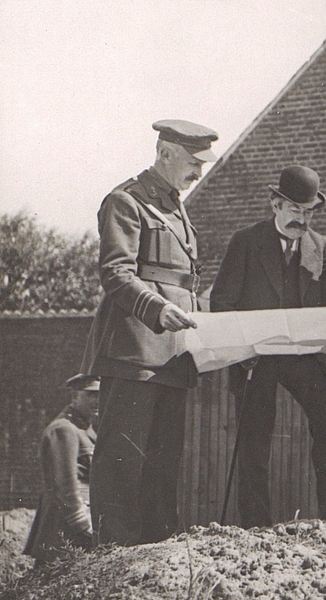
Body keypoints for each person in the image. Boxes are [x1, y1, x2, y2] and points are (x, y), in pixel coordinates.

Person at [81, 119, 217, 546]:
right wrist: (158, 308)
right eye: (194, 163)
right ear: (166, 154)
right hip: (135, 349)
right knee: (123, 460)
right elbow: (116, 274)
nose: (200, 173)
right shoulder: (126, 201)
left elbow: (184, 280)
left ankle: (157, 552)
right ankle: (115, 552)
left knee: (163, 459)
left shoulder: (175, 205)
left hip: (173, 353)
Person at [210, 165, 326, 527]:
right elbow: (222, 302)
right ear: (275, 204)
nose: (301, 220)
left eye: (308, 213)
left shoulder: (321, 247)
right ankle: (255, 523)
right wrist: (242, 353)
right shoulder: (245, 242)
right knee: (255, 436)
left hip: (305, 356)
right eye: (294, 211)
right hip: (258, 356)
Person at [24, 374, 99, 563]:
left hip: (78, 523)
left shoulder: (84, 430)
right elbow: (66, 484)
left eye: (100, 394)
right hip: (64, 526)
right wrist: (83, 525)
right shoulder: (64, 429)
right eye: (90, 394)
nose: (97, 400)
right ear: (74, 397)